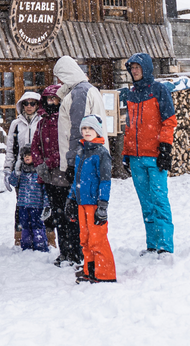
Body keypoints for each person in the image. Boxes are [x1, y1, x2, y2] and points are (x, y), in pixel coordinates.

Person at [53, 55, 109, 264]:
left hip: (84, 160)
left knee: (82, 208)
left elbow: (78, 130)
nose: (58, 82)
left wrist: (71, 162)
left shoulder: (79, 93)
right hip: (89, 158)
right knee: (83, 208)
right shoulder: (85, 90)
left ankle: (83, 254)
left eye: (60, 77)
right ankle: (86, 254)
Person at [122, 52, 177, 256]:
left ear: (146, 68)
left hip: (155, 156)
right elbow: (129, 127)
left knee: (159, 200)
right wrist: (126, 153)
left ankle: (165, 246)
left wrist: (165, 148)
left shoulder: (159, 90)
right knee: (145, 203)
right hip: (136, 158)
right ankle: (152, 244)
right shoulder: (131, 94)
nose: (134, 71)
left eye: (137, 67)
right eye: (132, 68)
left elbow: (169, 121)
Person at [31, 84, 82, 266]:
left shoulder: (65, 119)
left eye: (54, 99)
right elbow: (35, 145)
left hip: (65, 173)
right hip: (49, 176)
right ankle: (64, 251)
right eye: (49, 99)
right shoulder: (42, 121)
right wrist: (39, 164)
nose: (51, 102)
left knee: (71, 216)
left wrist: (49, 162)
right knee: (58, 216)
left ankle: (76, 252)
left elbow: (66, 146)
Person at [65, 115, 116, 284]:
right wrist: (71, 198)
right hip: (81, 203)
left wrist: (103, 204)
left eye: (90, 129)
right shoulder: (81, 152)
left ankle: (106, 274)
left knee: (98, 240)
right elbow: (77, 179)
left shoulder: (102, 154)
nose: (87, 132)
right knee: (85, 239)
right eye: (84, 129)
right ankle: (90, 271)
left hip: (94, 204)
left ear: (97, 131)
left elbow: (105, 180)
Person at [3, 89, 43, 244]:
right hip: (22, 170)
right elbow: (10, 147)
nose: (29, 106)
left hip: (39, 169)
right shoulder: (16, 124)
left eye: (33, 103)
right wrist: (8, 169)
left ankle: (44, 236)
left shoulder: (42, 121)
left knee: (41, 203)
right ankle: (20, 237)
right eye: (26, 103)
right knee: (22, 203)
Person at [10, 133, 51, 252]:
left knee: (37, 225)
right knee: (25, 226)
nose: (27, 157)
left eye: (30, 155)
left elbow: (45, 190)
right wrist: (15, 171)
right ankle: (26, 246)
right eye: (25, 156)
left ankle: (40, 246)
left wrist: (46, 205)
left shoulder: (39, 172)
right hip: (23, 204)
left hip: (36, 205)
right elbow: (13, 182)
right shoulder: (22, 172)